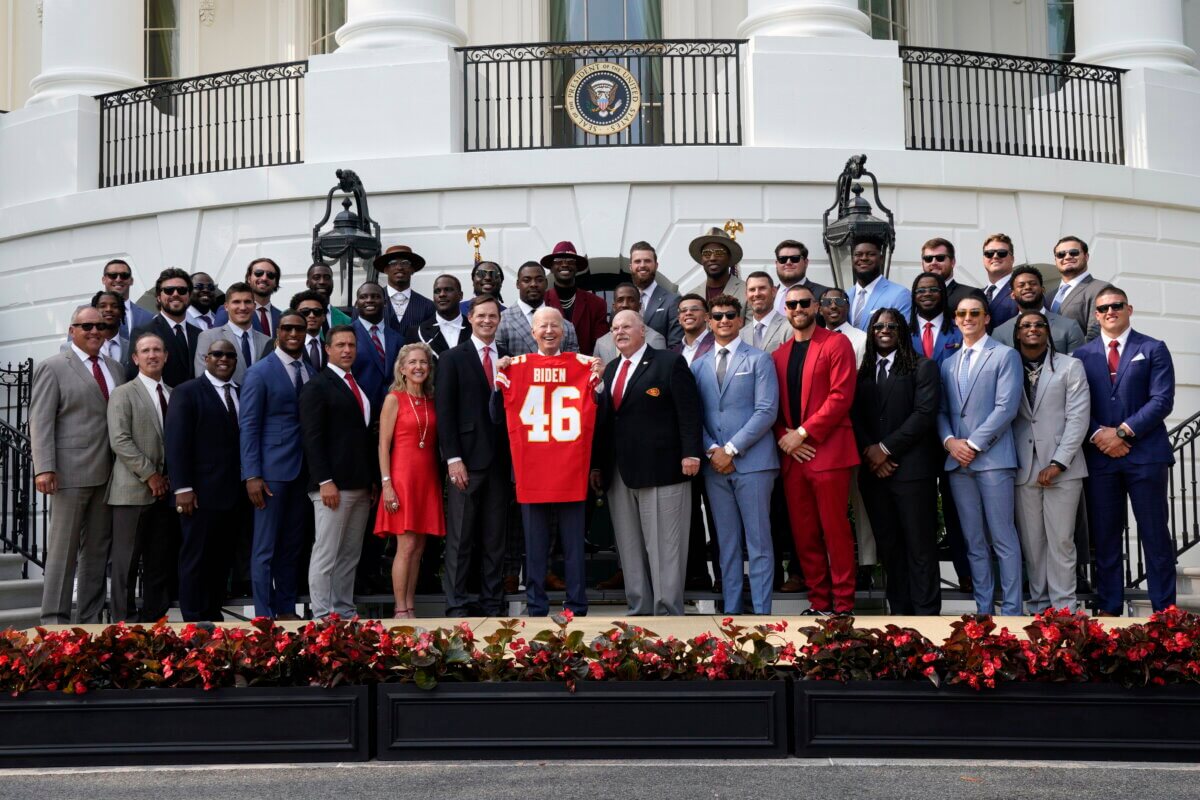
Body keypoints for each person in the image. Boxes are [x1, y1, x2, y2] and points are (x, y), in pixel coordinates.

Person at [495, 307, 603, 617]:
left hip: (570, 467)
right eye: (543, 326)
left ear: (565, 331)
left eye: (555, 325)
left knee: (572, 544)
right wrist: (500, 376)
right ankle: (536, 604)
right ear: (532, 333)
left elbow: (600, 407)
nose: (549, 331)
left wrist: (598, 377)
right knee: (536, 543)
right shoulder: (515, 367)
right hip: (533, 469)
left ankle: (577, 603)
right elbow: (497, 412)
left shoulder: (583, 366)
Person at [593, 310, 702, 615]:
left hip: (663, 469)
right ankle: (638, 608)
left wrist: (691, 453)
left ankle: (667, 611)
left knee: (666, 548)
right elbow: (605, 422)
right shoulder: (611, 369)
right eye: (614, 328)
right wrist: (598, 465)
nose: (620, 332)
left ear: (643, 331)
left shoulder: (669, 362)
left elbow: (689, 412)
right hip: (619, 472)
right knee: (629, 548)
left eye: (626, 326)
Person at [1075, 287, 1176, 615]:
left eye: (1116, 305)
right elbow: (1075, 405)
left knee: (1155, 536)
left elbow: (1161, 400)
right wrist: (1098, 436)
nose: (1110, 312)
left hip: (1146, 456)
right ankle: (1109, 609)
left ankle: (1165, 613)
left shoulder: (1153, 348)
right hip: (1101, 458)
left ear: (1128, 308)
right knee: (1105, 538)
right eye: (1103, 308)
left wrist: (1121, 433)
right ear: (1096, 315)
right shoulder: (1081, 355)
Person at [31, 307, 126, 624]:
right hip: (69, 473)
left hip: (109, 474)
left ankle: (89, 618)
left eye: (100, 325)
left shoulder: (114, 367)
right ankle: (54, 618)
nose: (95, 331)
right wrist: (44, 467)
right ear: (72, 330)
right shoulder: (54, 367)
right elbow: (41, 421)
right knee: (63, 549)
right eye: (87, 325)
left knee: (97, 551)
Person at [773, 284, 860, 616]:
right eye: (792, 304)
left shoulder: (836, 344)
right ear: (786, 309)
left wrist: (803, 434)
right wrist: (787, 437)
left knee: (834, 529)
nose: (798, 308)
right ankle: (819, 602)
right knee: (804, 533)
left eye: (804, 303)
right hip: (794, 456)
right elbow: (773, 408)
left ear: (816, 307)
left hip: (828, 450)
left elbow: (841, 396)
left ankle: (843, 604)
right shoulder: (778, 355)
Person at [851, 309, 942, 615]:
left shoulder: (923, 367)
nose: (884, 330)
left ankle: (927, 616)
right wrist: (870, 452)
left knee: (920, 548)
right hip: (875, 474)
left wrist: (885, 449)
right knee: (889, 549)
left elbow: (924, 415)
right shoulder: (862, 372)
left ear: (903, 330)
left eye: (891, 325)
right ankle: (901, 617)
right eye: (878, 326)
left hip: (912, 472)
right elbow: (854, 416)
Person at [937, 295, 1024, 615]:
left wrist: (971, 445)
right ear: (956, 320)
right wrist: (949, 442)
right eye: (961, 313)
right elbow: (942, 410)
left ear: (986, 318)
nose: (968, 318)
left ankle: (1013, 611)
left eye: (974, 313)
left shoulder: (1005, 355)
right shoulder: (948, 363)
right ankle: (984, 611)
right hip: (958, 463)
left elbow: (1006, 408)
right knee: (973, 542)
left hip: (993, 460)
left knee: (1003, 539)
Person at [692, 295, 779, 614]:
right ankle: (731, 613)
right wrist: (713, 450)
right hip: (715, 465)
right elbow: (694, 415)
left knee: (758, 543)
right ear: (709, 322)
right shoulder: (698, 365)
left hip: (753, 464)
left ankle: (761, 614)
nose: (724, 320)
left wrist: (730, 449)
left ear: (741, 320)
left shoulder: (759, 360)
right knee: (725, 545)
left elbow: (766, 411)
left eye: (731, 314)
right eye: (718, 316)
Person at [1011, 309, 1091, 613]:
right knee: (1033, 545)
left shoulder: (1071, 367)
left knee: (1061, 541)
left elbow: (1078, 418)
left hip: (1063, 469)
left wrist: (1059, 462)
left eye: (1038, 325)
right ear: (1018, 333)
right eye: (1026, 325)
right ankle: (1040, 606)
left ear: (1048, 331)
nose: (1032, 329)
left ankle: (1064, 610)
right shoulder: (1007, 366)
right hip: (1022, 466)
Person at [437, 296, 511, 616]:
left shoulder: (509, 359)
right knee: (461, 538)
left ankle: (492, 602)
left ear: (499, 319)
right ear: (470, 318)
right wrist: (453, 458)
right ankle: (456, 602)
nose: (487, 321)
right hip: (466, 462)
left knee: (495, 539)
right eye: (481, 315)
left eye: (492, 316)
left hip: (500, 462)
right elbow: (445, 412)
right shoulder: (452, 358)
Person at [239, 309, 315, 619]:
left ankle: (285, 609)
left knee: (292, 545)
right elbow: (249, 425)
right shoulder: (259, 372)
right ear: (278, 333)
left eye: (299, 328)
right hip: (270, 473)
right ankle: (262, 613)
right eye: (287, 328)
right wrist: (252, 474)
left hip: (302, 472)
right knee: (265, 548)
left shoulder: (310, 369)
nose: (294, 334)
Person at [300, 326, 379, 621]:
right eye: (341, 345)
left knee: (349, 554)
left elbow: (361, 437)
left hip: (359, 485)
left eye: (351, 345)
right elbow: (312, 437)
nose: (347, 350)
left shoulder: (355, 384)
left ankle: (344, 611)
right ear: (328, 349)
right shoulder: (317, 386)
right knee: (326, 553)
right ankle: (322, 615)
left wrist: (370, 479)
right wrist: (324, 481)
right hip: (332, 486)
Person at [167, 339, 248, 622]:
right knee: (195, 558)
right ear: (206, 358)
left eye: (229, 355)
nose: (224, 359)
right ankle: (193, 618)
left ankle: (213, 614)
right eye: (217, 354)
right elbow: (177, 443)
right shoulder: (186, 392)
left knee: (221, 559)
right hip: (198, 493)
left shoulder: (240, 392)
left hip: (233, 494)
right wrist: (183, 487)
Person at [107, 332, 177, 622]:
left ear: (165, 356)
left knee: (159, 561)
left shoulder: (174, 394)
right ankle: (123, 623)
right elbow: (120, 440)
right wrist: (150, 475)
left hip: (165, 493)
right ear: (135, 358)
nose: (152, 355)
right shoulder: (123, 393)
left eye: (157, 350)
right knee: (126, 563)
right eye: (146, 351)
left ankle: (154, 622)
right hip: (131, 491)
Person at [909, 271, 970, 591]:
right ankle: (923, 580)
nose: (928, 294)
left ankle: (966, 573)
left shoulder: (958, 328)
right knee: (920, 512)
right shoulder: (903, 332)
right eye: (921, 290)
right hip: (915, 436)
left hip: (953, 433)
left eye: (934, 289)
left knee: (958, 507)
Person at [375, 342, 446, 618]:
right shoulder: (394, 398)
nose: (419, 367)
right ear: (402, 369)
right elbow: (383, 445)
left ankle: (411, 605)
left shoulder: (432, 399)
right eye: (413, 363)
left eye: (423, 362)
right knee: (404, 546)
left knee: (418, 548)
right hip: (401, 478)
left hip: (427, 478)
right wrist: (387, 484)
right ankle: (399, 609)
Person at [819, 284, 874, 587]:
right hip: (821, 433)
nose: (833, 307)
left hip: (852, 427)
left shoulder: (860, 339)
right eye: (827, 302)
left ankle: (865, 562)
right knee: (831, 508)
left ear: (848, 306)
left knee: (859, 500)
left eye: (839, 301)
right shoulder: (814, 340)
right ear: (820, 307)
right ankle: (832, 564)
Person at [672, 293, 718, 590]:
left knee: (717, 517)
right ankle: (697, 575)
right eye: (683, 310)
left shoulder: (718, 345)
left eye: (694, 309)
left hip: (716, 443)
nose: (688, 314)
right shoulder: (672, 351)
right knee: (687, 516)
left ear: (706, 316)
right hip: (684, 445)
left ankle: (725, 578)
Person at [129, 268, 200, 388]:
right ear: (158, 297)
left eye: (182, 290)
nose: (175, 294)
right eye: (169, 290)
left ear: (189, 296)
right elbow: (133, 375)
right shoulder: (143, 332)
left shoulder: (199, 334)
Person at [991, 265, 1085, 354]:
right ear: (1012, 294)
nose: (1027, 287)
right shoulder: (1000, 333)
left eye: (1033, 283)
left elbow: (1078, 366)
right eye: (1021, 285)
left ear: (1043, 290)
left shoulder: (1069, 327)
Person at [496, 261, 580, 355]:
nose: (533, 284)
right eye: (527, 280)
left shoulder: (566, 326)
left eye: (539, 280)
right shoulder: (500, 321)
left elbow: (574, 365)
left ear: (546, 283)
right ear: (518, 284)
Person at [195, 282, 271, 385]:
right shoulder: (208, 337)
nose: (243, 307)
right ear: (226, 306)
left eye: (247, 302)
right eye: (236, 302)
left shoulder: (267, 341)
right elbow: (202, 381)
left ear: (254, 306)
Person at [543, 241, 608, 357]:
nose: (564, 264)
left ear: (577, 268)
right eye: (558, 261)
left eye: (570, 261)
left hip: (585, 370)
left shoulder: (597, 304)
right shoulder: (541, 302)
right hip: (549, 369)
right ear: (551, 268)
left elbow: (602, 344)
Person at [351, 281, 403, 411]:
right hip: (359, 413)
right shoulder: (347, 335)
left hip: (394, 412)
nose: (369, 300)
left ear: (385, 303)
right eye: (363, 297)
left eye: (375, 296)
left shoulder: (398, 339)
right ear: (357, 304)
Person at [1049, 236, 1109, 342]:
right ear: (1056, 260)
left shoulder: (1100, 289)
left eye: (1074, 252)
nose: (1067, 257)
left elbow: (1096, 333)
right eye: (1061, 254)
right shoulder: (1049, 296)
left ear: (1086, 257)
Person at [846, 238, 911, 330]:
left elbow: (904, 336)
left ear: (881, 259)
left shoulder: (900, 294)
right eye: (858, 254)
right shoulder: (847, 295)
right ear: (853, 259)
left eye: (871, 254)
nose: (864, 258)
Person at [595, 283, 666, 365]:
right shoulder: (601, 342)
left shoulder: (655, 339)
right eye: (620, 300)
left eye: (631, 300)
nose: (625, 305)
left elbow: (660, 373)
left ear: (639, 306)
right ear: (614, 307)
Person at [628, 241, 682, 347]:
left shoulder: (672, 301)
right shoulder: (622, 302)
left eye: (647, 261)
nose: (642, 265)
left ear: (656, 265)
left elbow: (675, 345)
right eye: (637, 261)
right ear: (631, 267)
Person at [376, 245, 436, 340]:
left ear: (412, 269)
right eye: (393, 263)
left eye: (405, 263)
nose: (399, 267)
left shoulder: (428, 306)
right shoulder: (371, 302)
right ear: (386, 269)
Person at [214, 258, 284, 336]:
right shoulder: (227, 311)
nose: (264, 278)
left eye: (270, 275)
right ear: (249, 278)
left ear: (276, 282)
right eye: (258, 273)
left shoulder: (282, 316)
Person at [683, 227, 745, 308]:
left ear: (729, 258)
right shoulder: (692, 296)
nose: (712, 258)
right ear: (702, 259)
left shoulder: (747, 292)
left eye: (719, 253)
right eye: (707, 253)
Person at [920, 237, 985, 315]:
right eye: (928, 259)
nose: (933, 262)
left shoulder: (970, 295)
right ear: (922, 263)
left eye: (940, 258)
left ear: (953, 262)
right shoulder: (916, 297)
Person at [61, 291, 127, 364]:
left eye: (115, 306)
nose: (108, 309)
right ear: (94, 310)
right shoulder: (69, 348)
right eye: (102, 306)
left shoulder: (131, 347)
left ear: (122, 312)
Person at [415, 274, 471, 356]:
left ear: (461, 295)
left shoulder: (474, 328)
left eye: (448, 290)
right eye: (437, 291)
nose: (442, 294)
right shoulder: (417, 332)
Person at [97, 258, 153, 338]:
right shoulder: (84, 312)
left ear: (131, 280)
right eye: (113, 275)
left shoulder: (148, 318)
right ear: (103, 280)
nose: (118, 279)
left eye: (124, 276)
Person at [773, 240, 829, 316]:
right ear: (776, 263)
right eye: (782, 259)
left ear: (806, 262)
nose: (788, 262)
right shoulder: (768, 296)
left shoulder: (825, 295)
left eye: (795, 258)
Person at [740, 271, 790, 353]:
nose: (756, 294)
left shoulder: (788, 326)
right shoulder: (741, 334)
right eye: (752, 290)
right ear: (746, 295)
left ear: (773, 291)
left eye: (762, 288)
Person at [981, 233, 1019, 328]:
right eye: (989, 254)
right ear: (983, 259)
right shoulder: (977, 294)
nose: (995, 256)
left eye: (1002, 253)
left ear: (1012, 259)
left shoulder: (1023, 291)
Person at [291, 290, 330, 370]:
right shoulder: (282, 346)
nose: (311, 315)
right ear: (294, 315)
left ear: (324, 317)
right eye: (305, 312)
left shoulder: (331, 348)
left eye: (317, 311)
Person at [306, 263, 353, 328]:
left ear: (332, 282)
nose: (322, 282)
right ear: (308, 283)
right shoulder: (294, 317)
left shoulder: (347, 321)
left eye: (327, 278)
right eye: (316, 278)